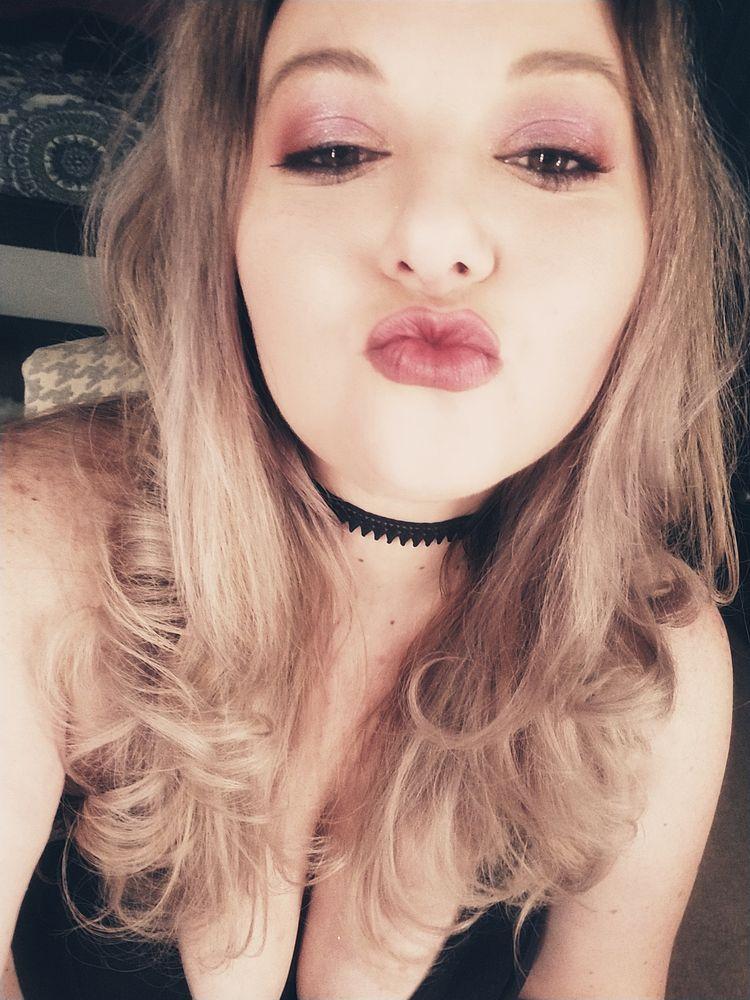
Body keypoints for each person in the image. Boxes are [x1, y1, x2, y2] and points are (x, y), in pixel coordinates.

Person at [1, 0, 748, 997]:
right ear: (225, 222)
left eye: (553, 157)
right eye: (335, 149)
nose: (433, 236)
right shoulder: (27, 550)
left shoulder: (660, 666)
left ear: (654, 248)